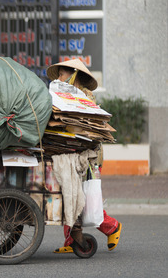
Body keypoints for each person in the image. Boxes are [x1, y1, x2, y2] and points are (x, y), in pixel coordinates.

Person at [46, 59, 123, 253]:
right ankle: (72, 242)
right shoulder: (62, 96)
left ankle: (111, 227)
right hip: (70, 152)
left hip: (89, 157)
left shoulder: (84, 97)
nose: (60, 78)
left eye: (62, 74)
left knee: (86, 200)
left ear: (72, 75)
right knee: (68, 194)